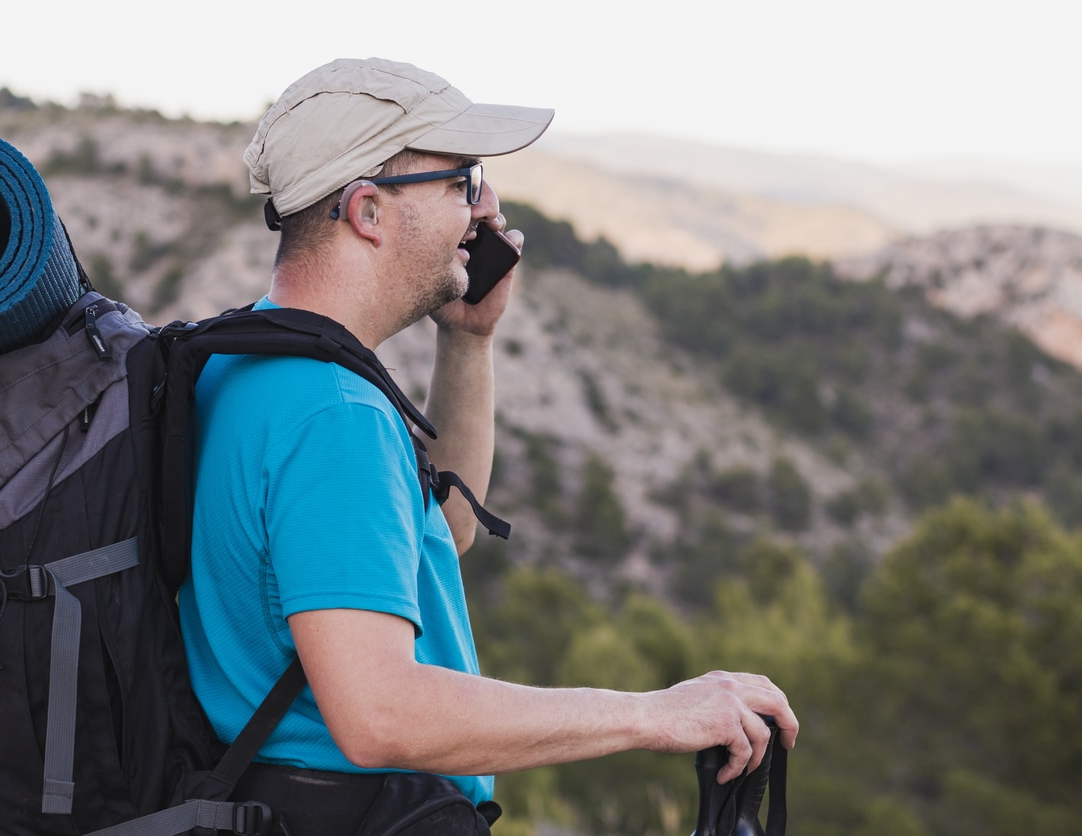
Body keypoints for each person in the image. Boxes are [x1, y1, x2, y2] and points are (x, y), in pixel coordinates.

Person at [179, 56, 798, 834]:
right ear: (369, 211)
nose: (485, 208)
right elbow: (380, 713)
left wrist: (468, 344)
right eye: (461, 181)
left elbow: (443, 536)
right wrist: (655, 714)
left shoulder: (251, 362)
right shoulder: (332, 415)